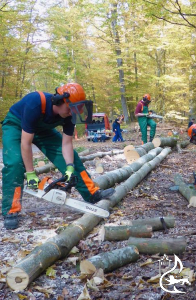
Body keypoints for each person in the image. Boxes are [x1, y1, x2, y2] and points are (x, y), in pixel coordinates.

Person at [1, 83, 115, 230]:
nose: (71, 113)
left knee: (71, 157)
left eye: (75, 110)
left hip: (43, 130)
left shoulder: (69, 114)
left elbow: (66, 144)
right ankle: (11, 209)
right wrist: (30, 174)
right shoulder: (35, 103)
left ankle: (91, 193)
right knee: (15, 163)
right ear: (59, 101)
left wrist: (69, 167)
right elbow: (26, 143)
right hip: (16, 125)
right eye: (69, 109)